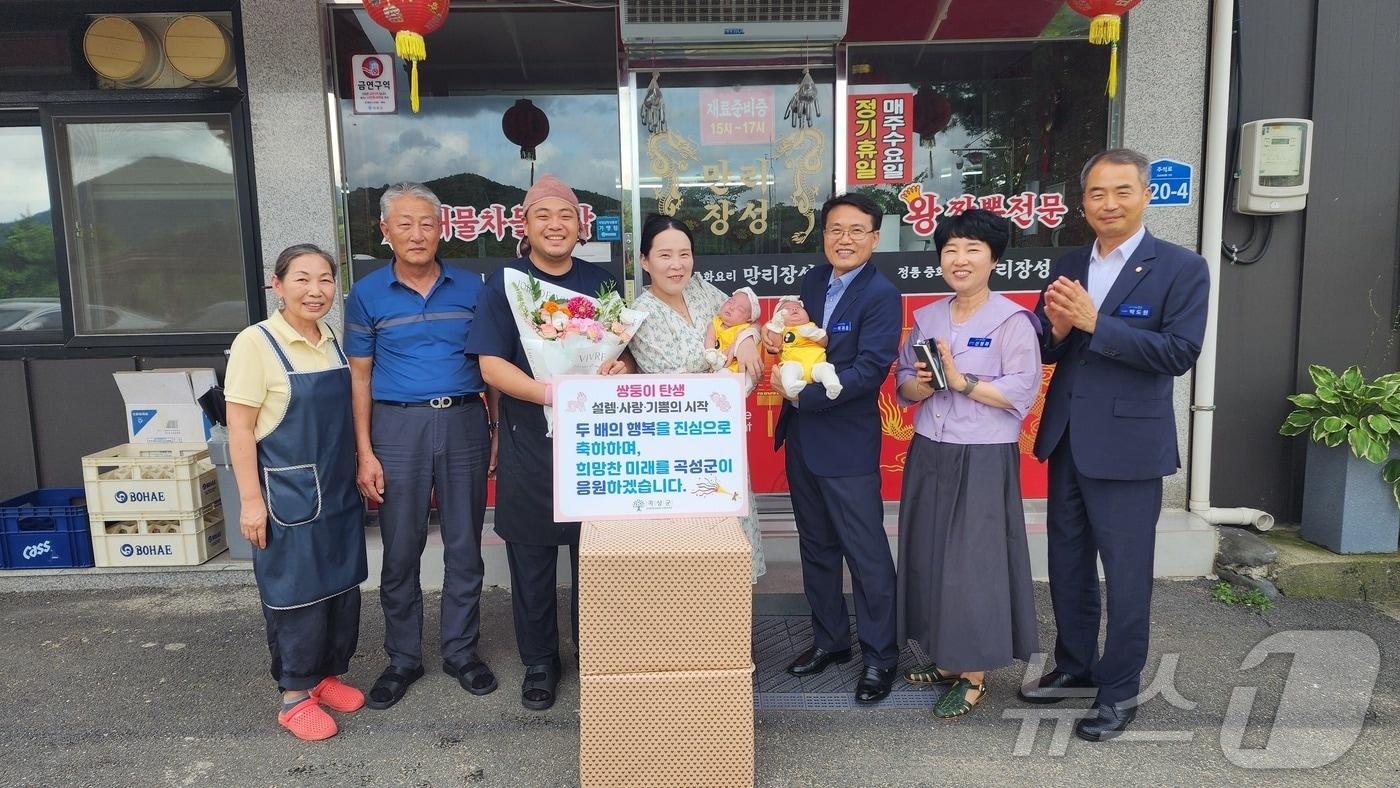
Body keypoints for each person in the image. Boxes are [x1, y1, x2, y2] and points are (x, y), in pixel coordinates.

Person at [1019, 149, 1210, 742]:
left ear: (1145, 195)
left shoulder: (1181, 266)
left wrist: (1098, 324)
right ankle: (1075, 664)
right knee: (1068, 563)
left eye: (1122, 191)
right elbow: (1045, 347)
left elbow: (1179, 353)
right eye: (1097, 193)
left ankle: (1120, 689)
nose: (1109, 204)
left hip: (1128, 445)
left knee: (1126, 574)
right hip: (1069, 438)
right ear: (1083, 203)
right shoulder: (1070, 260)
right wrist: (1050, 331)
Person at [464, 174, 632, 711]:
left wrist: (618, 366)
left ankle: (598, 653)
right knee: (532, 559)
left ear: (581, 225)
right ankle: (540, 661)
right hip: (529, 439)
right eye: (543, 216)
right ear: (525, 225)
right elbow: (490, 365)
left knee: (598, 559)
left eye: (565, 216)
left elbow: (621, 353)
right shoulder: (506, 283)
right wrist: (552, 393)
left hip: (593, 442)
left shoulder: (601, 280)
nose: (555, 225)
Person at [344, 182, 497, 710]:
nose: (417, 234)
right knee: (401, 547)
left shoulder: (472, 287)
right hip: (396, 429)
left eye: (427, 223)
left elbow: (490, 366)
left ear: (443, 229)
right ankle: (403, 658)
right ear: (385, 232)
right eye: (404, 224)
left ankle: (460, 651)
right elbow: (358, 378)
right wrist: (364, 451)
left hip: (463, 423)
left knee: (464, 545)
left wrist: (493, 427)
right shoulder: (365, 294)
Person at [892, 210, 1041, 719]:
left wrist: (962, 382)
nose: (960, 259)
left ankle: (974, 675)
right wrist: (923, 383)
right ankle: (947, 658)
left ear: (994, 259)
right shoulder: (927, 317)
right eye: (952, 249)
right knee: (931, 554)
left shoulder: (1013, 320)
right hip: (931, 448)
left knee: (973, 564)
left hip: (982, 455)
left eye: (973, 249)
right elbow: (902, 386)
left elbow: (1023, 390)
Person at [225, 243, 368, 741]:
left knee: (340, 586)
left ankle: (326, 677)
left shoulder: (330, 338)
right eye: (302, 278)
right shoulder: (256, 342)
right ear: (277, 284)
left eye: (325, 279)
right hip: (286, 493)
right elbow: (239, 429)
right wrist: (249, 501)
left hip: (336, 485)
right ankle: (293, 696)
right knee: (295, 593)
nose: (315, 290)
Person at [768, 193, 903, 705]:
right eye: (835, 229)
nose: (844, 239)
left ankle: (880, 658)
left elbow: (870, 370)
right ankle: (830, 642)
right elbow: (802, 341)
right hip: (802, 438)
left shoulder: (881, 294)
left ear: (874, 237)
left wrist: (805, 394)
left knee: (866, 554)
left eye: (856, 230)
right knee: (816, 547)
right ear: (823, 233)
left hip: (845, 442)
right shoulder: (814, 280)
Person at [627, 213, 767, 582]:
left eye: (685, 254)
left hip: (722, 441)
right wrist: (731, 365)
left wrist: (748, 338)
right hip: (678, 447)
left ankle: (732, 637)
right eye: (665, 256)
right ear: (645, 261)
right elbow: (676, 385)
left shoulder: (703, 289)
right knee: (688, 556)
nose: (677, 265)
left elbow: (745, 319)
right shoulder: (639, 315)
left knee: (732, 549)